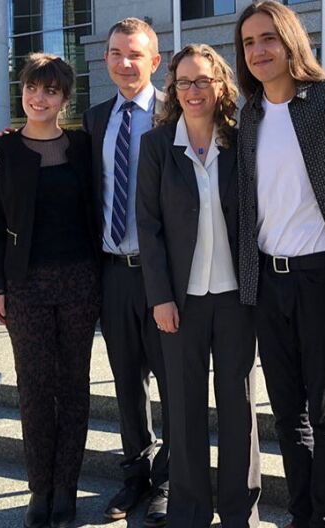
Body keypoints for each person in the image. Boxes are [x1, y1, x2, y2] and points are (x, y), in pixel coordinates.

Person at [136, 43, 261, 528]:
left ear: (221, 86)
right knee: (184, 408)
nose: (193, 90)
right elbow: (148, 226)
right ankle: (189, 512)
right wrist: (160, 297)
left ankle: (238, 510)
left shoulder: (241, 142)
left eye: (203, 80)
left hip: (235, 298)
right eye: (184, 82)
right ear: (173, 88)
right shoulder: (156, 146)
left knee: (238, 407)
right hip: (180, 301)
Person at [234, 2, 325, 526]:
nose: (258, 50)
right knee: (286, 414)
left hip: (319, 276)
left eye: (268, 39)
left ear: (290, 41)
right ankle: (301, 516)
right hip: (267, 280)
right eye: (249, 42)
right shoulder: (249, 114)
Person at [0, 52, 100, 528]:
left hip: (79, 281)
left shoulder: (82, 146)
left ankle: (66, 485)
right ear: (22, 90)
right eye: (32, 87)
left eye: (51, 90)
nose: (39, 98)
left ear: (65, 98)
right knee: (33, 387)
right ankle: (39, 488)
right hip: (25, 285)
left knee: (73, 386)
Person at [81, 17, 171, 526]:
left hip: (162, 276)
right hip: (113, 272)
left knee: (172, 381)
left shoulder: (174, 113)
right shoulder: (95, 119)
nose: (125, 63)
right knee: (127, 382)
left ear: (154, 61)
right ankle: (135, 473)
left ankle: (169, 479)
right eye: (116, 53)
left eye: (135, 54)